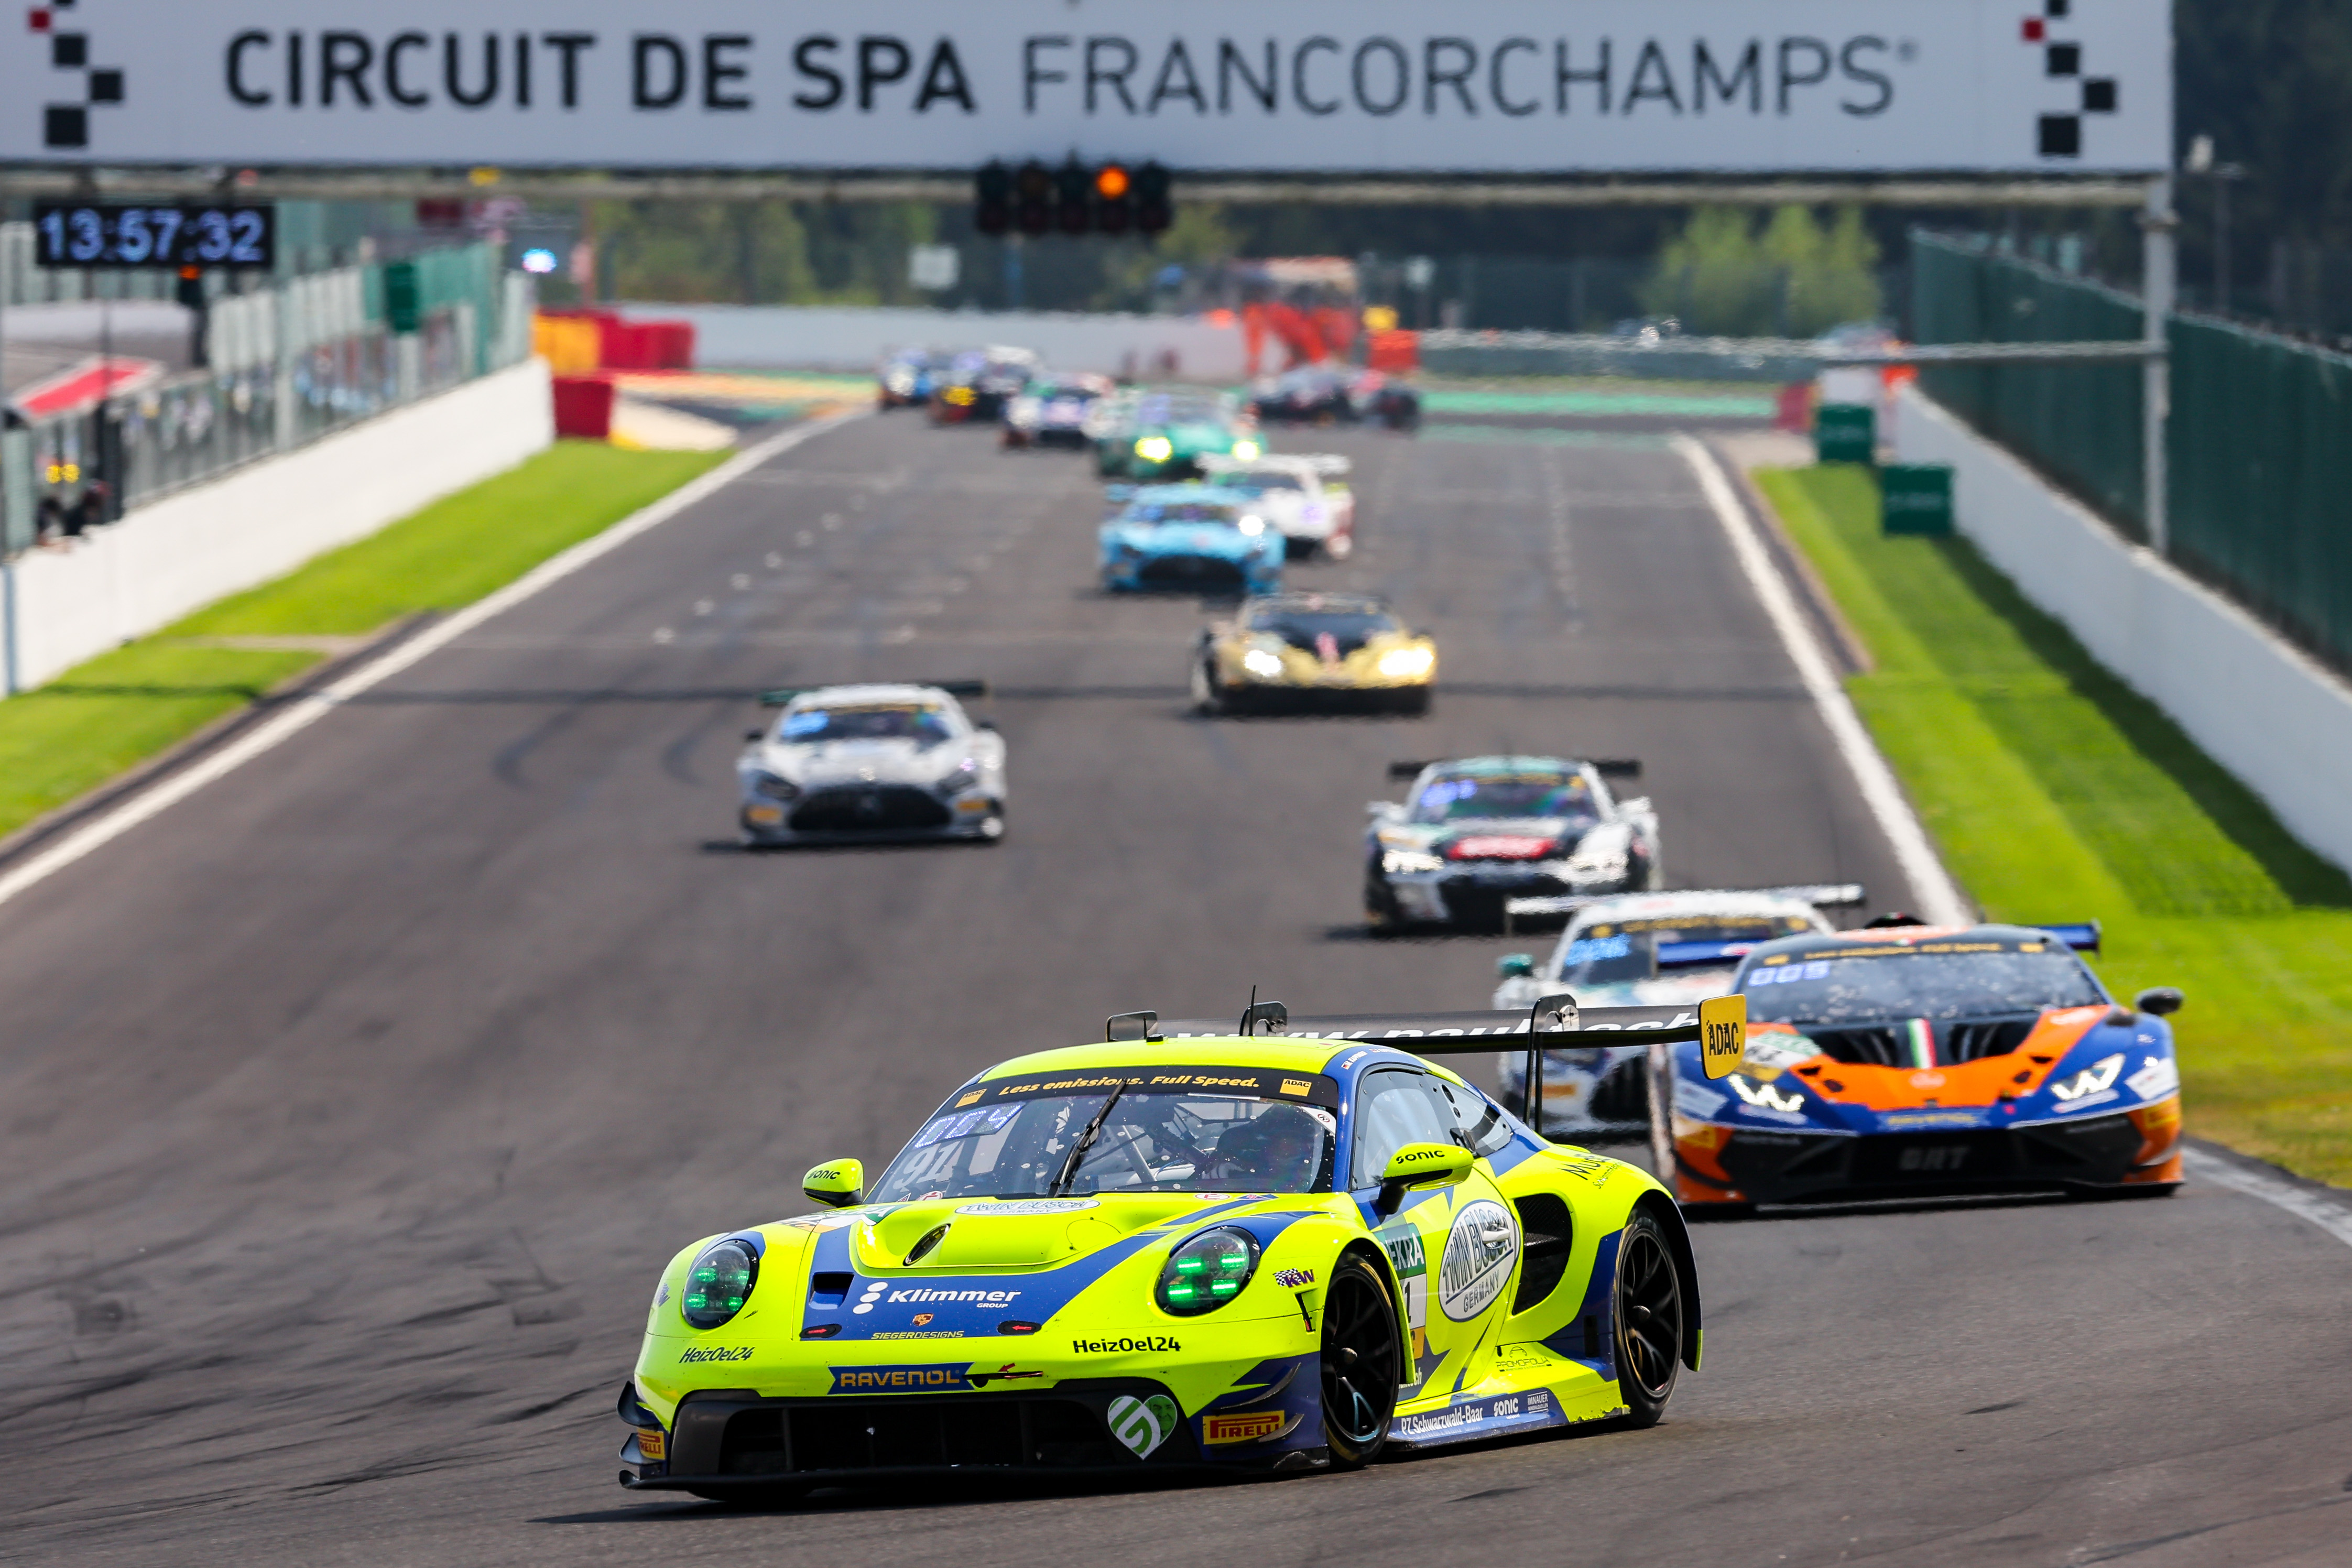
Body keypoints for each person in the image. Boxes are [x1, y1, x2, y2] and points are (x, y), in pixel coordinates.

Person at [1212, 1104, 1326, 1192]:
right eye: (1276, 1138)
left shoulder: (1320, 1172)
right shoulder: (1234, 1168)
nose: (1284, 1145)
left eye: (1293, 1138)